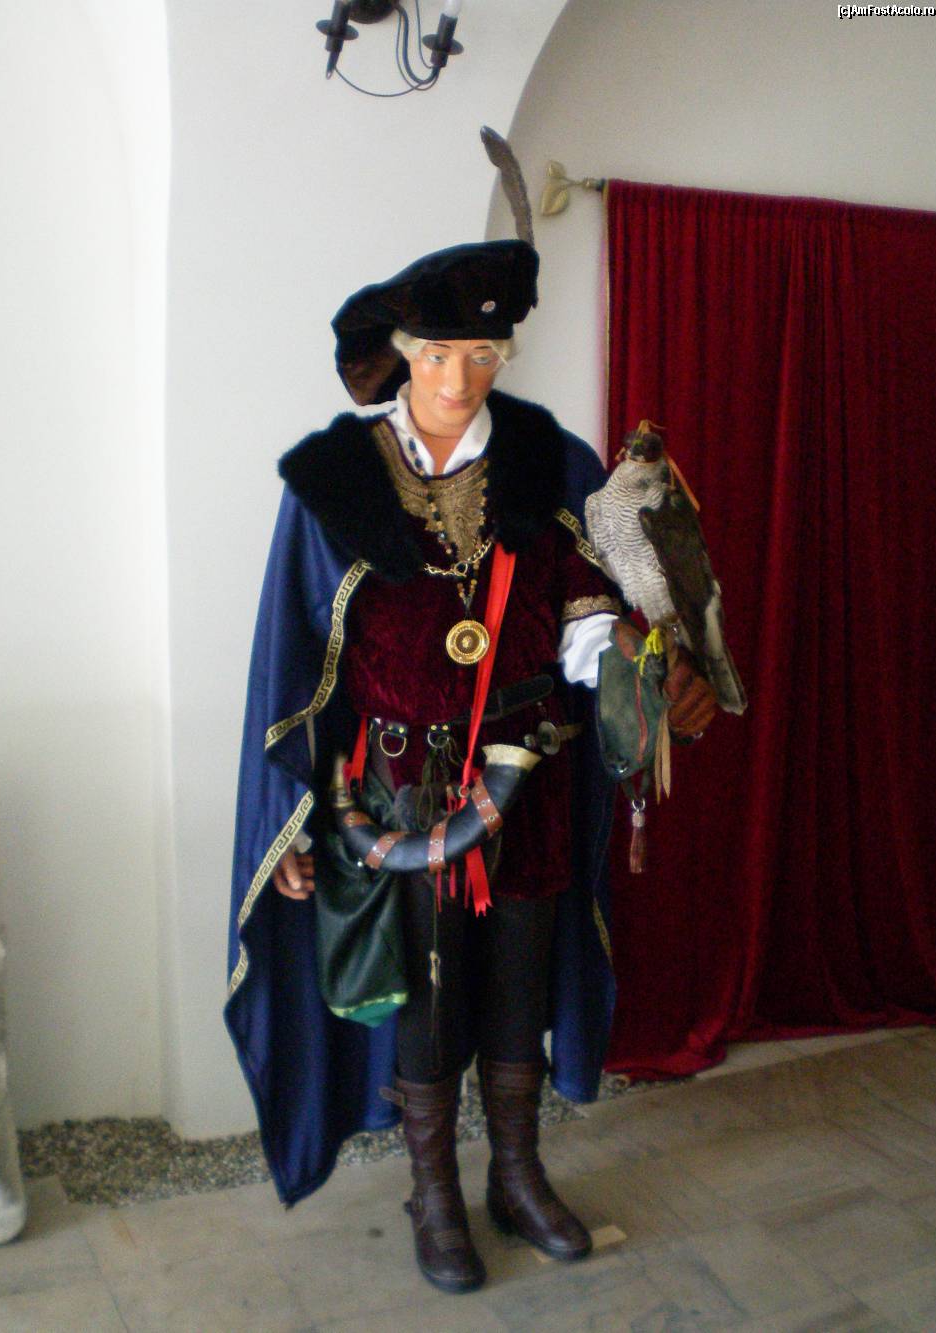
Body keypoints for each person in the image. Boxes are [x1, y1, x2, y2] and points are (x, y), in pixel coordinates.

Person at [226, 237, 716, 1293]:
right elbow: (292, 666)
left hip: (529, 778)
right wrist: (291, 818)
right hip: (398, 792)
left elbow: (587, 616)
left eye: (483, 355)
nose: (458, 379)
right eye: (439, 353)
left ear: (504, 354)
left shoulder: (552, 461)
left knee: (519, 980)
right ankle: (434, 1189)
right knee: (425, 994)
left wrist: (639, 675)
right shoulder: (333, 479)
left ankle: (518, 1174)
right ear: (403, 351)